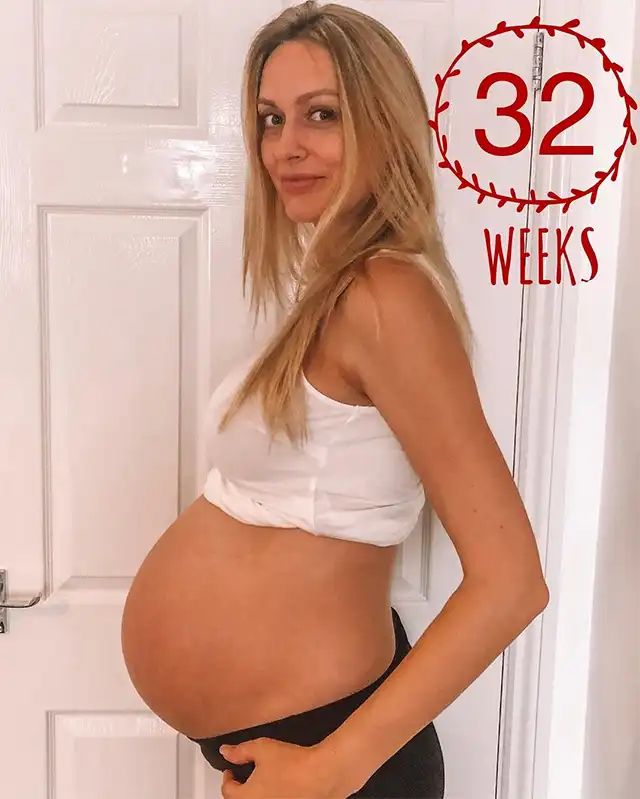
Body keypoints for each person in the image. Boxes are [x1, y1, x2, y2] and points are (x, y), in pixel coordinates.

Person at [120, 2, 550, 797]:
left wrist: (332, 767)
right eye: (271, 118)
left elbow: (512, 581)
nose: (286, 145)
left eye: (322, 114)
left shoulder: (386, 295)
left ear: (384, 124)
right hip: (294, 741)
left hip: (332, 754)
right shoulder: (333, 287)